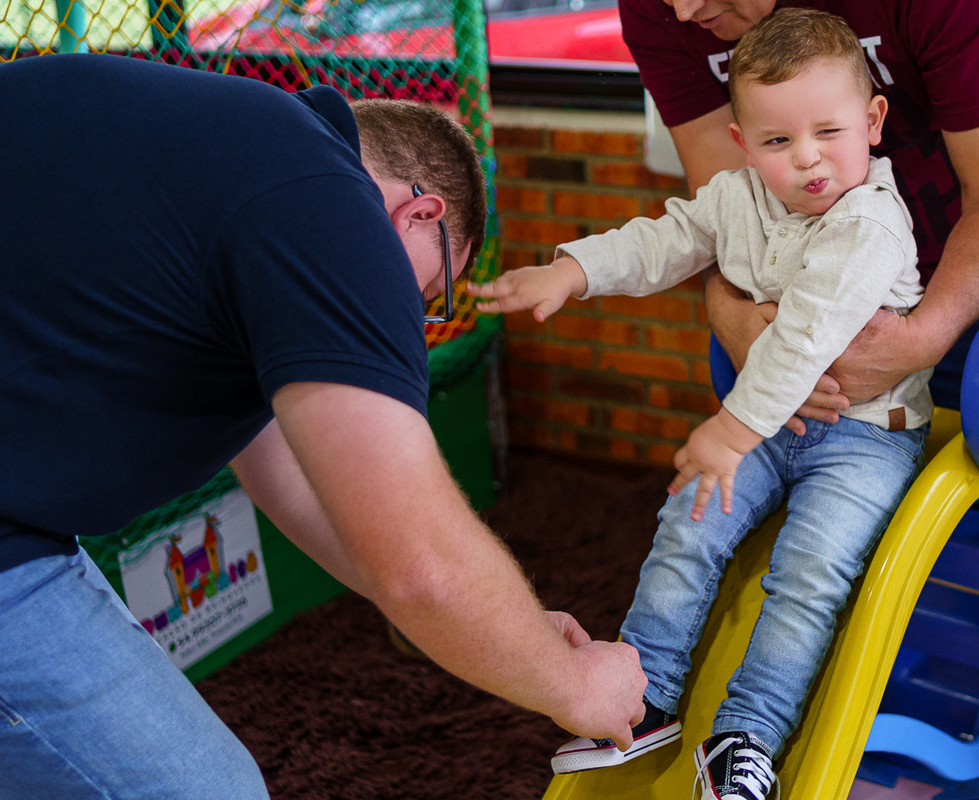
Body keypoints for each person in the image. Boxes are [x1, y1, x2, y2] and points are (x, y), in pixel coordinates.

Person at [0, 53, 645, 799]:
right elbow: (417, 561)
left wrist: (516, 632)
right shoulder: (329, 202)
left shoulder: (241, 169)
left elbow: (306, 487)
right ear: (421, 215)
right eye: (430, 294)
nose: (415, 316)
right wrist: (573, 683)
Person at [470, 10, 930, 798]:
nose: (808, 158)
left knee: (809, 572)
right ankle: (645, 692)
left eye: (829, 131)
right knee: (689, 522)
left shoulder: (870, 221)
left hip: (865, 438)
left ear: (873, 121)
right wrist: (570, 273)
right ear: (744, 143)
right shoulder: (739, 197)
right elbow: (662, 240)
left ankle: (748, 734)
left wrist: (730, 430)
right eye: (779, 140)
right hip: (771, 426)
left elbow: (804, 337)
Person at [620, 0, 979, 416]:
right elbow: (724, 213)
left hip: (978, 280)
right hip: (792, 306)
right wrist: (727, 311)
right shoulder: (654, 10)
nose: (683, 11)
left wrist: (922, 338)